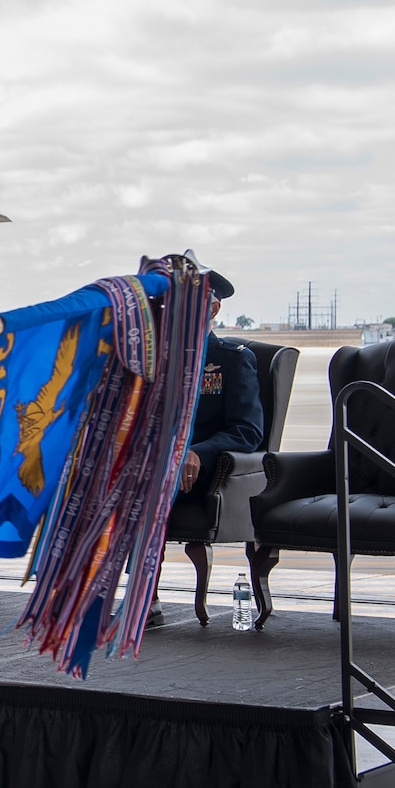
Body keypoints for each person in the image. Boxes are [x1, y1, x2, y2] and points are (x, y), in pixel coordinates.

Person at [151, 269, 263, 628]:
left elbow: (248, 431)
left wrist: (198, 451)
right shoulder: (158, 362)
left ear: (213, 309)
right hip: (159, 465)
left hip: (208, 472)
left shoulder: (232, 359)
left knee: (145, 492)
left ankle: (144, 600)